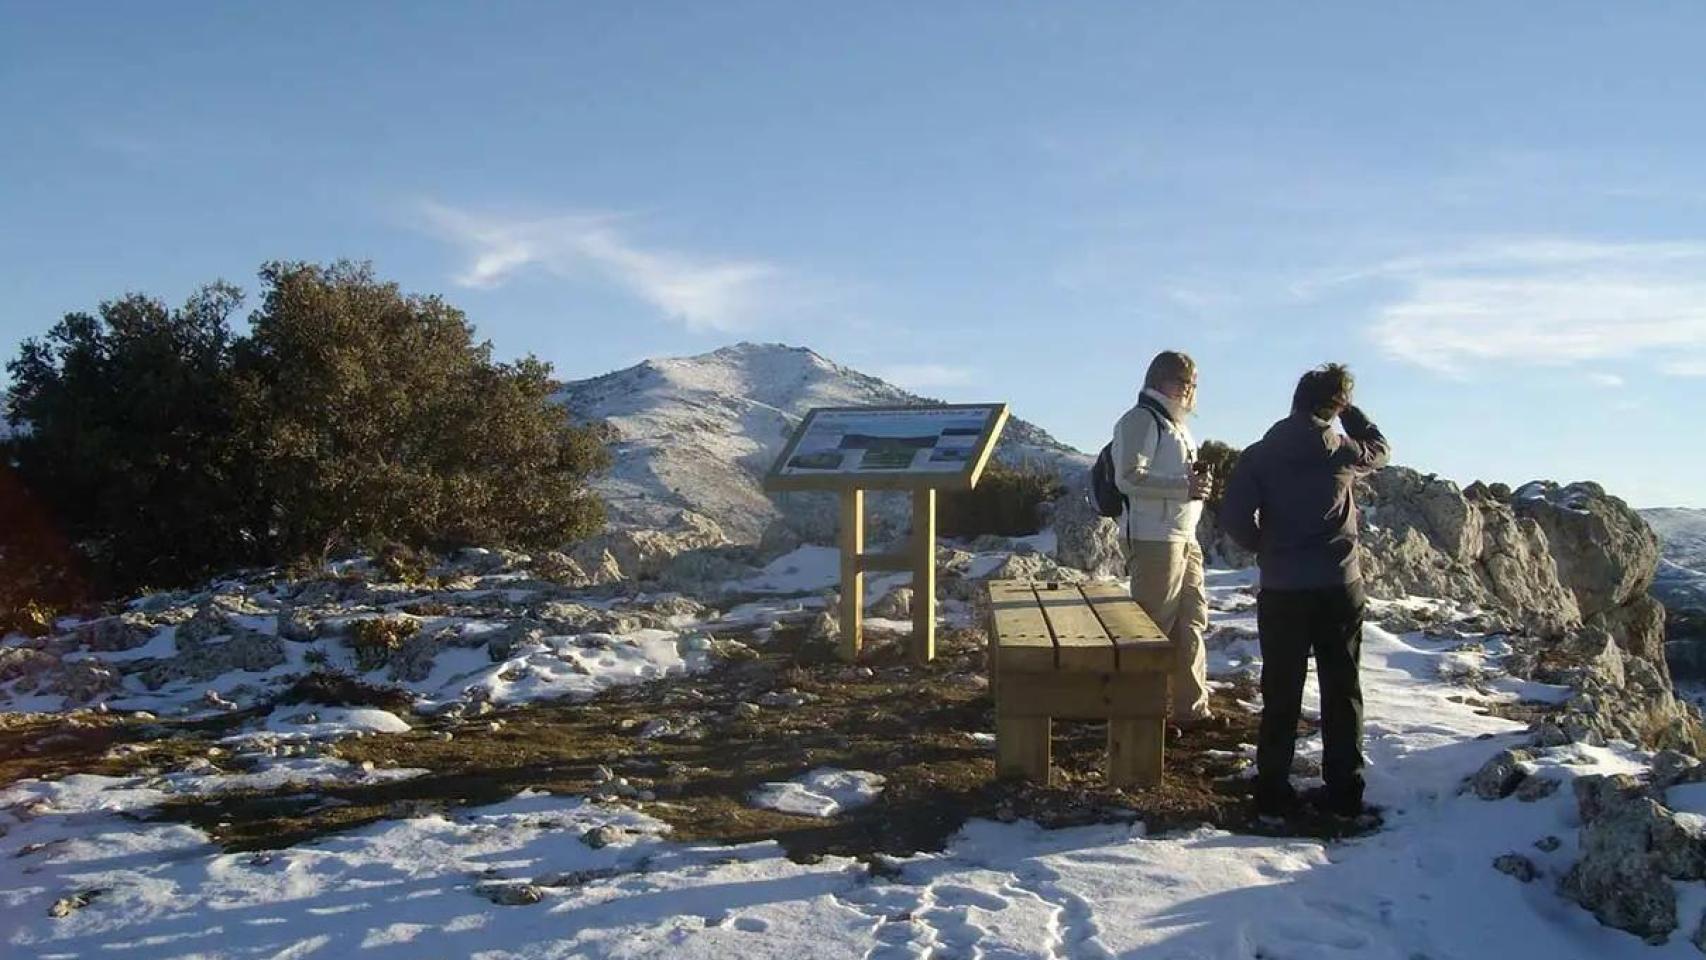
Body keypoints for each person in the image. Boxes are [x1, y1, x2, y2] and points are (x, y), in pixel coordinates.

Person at [1219, 363, 1390, 819]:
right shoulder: (1342, 450)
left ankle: (1273, 786)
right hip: (1339, 584)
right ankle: (1344, 790)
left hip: (1283, 589)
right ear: (1334, 408)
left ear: (1294, 401)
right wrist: (1352, 415)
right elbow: (1381, 450)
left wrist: (1267, 549)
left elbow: (1234, 518)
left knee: (1281, 688)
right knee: (1342, 687)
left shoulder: (1260, 454)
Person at [1113, 350, 1216, 731]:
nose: (1188, 389)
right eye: (1181, 380)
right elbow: (1128, 478)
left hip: (1183, 535)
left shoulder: (1177, 426)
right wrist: (1182, 487)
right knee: (1153, 626)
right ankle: (1141, 714)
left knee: (1191, 621)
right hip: (1154, 537)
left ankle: (1192, 708)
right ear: (1158, 380)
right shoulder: (1140, 420)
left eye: (1192, 382)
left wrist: (1190, 488)